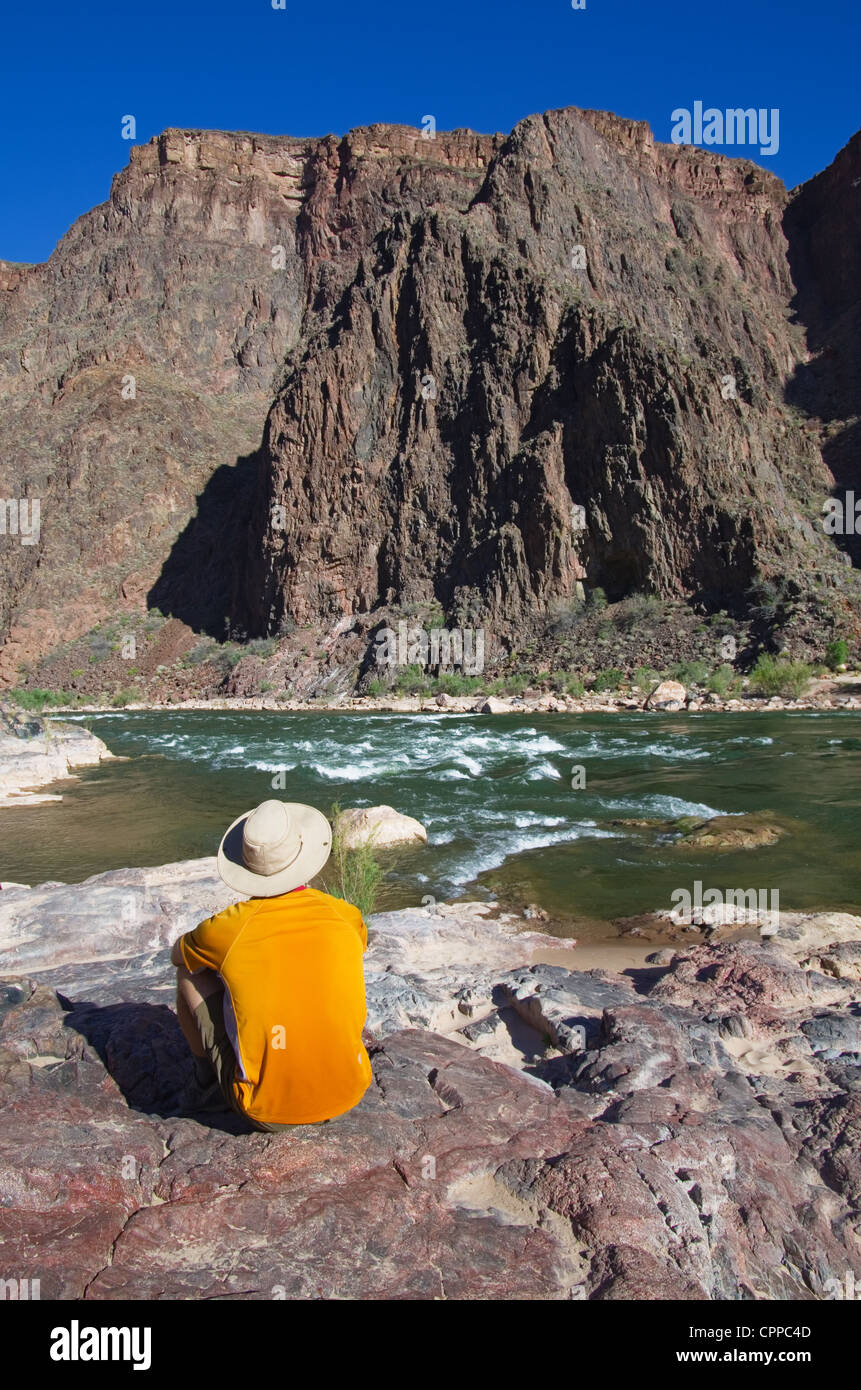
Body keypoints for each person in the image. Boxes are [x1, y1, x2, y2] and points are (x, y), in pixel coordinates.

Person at [170, 799, 372, 1129]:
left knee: (190, 975)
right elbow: (356, 945)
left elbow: (179, 957)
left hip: (266, 1112)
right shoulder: (345, 913)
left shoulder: (226, 929)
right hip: (350, 1092)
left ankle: (205, 1083)